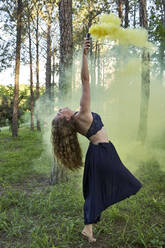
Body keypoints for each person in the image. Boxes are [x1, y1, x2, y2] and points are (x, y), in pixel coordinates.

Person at [51, 38, 142, 242]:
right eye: (59, 113)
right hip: (103, 152)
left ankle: (88, 228)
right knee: (128, 182)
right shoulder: (80, 115)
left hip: (97, 152)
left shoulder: (75, 121)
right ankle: (94, 216)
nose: (61, 108)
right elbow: (85, 81)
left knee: (94, 190)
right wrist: (83, 55)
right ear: (66, 118)